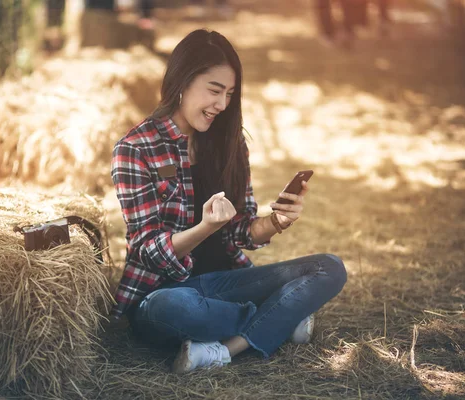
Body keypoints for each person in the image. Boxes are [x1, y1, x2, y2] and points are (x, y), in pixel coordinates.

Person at [111, 29, 347, 374]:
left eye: (230, 94)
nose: (222, 105)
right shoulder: (135, 149)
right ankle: (280, 316)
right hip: (167, 291)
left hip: (228, 283)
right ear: (182, 81)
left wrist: (276, 222)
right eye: (214, 91)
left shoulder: (230, 143)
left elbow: (241, 231)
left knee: (330, 267)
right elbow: (147, 248)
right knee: (172, 308)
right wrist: (204, 228)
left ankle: (224, 349)